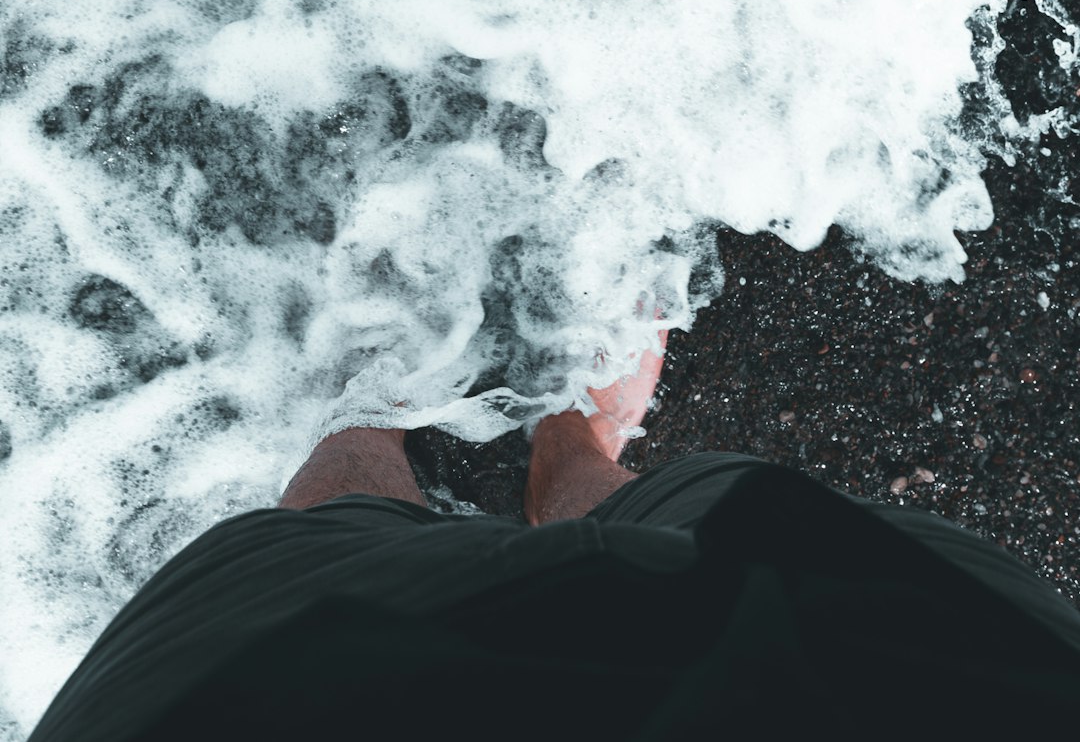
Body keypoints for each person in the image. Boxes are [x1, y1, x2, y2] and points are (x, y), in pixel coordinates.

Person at [26, 328, 1080, 740]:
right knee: (710, 514)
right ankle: (573, 442)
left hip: (277, 720)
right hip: (922, 693)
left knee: (315, 547)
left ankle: (366, 417)